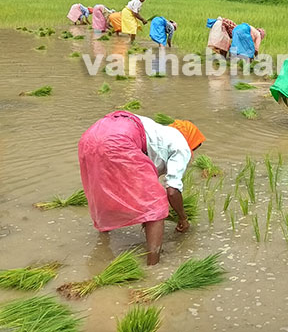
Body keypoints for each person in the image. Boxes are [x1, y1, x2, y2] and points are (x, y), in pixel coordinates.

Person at [78, 111, 205, 266]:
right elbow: (172, 190)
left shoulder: (160, 133)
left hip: (91, 136)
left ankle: (104, 244)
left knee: (106, 190)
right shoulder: (182, 146)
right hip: (119, 139)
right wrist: (182, 217)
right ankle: (153, 266)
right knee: (156, 205)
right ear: (190, 140)